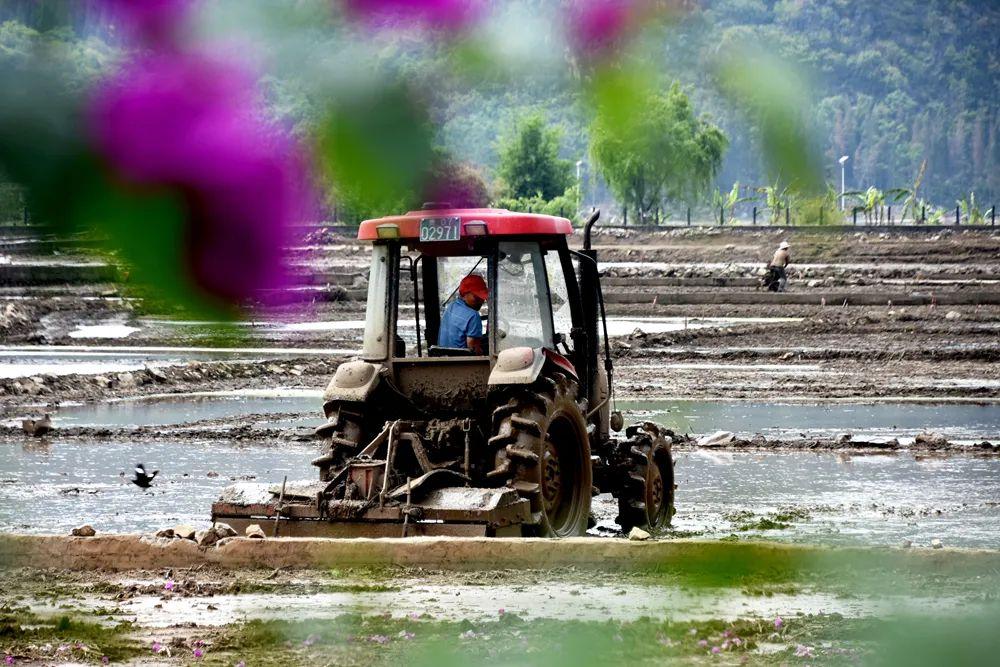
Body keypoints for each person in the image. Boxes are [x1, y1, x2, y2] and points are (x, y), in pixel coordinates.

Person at [437, 274, 488, 353]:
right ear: (464, 294)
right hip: (461, 362)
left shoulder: (452, 306)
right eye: (477, 297)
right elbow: (474, 349)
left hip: (443, 357)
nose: (481, 301)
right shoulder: (473, 316)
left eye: (482, 297)